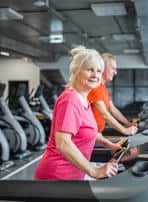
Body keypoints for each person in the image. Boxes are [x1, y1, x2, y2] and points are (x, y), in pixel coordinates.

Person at [34, 46, 122, 181]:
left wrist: (107, 144)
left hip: (73, 175)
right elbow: (63, 143)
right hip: (57, 176)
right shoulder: (70, 100)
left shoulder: (83, 99)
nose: (95, 75)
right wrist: (94, 171)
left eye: (99, 71)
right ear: (76, 71)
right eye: (89, 70)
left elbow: (85, 131)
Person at [88, 53, 138, 136]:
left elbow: (113, 109)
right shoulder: (95, 87)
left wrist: (128, 123)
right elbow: (105, 115)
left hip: (97, 134)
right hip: (91, 135)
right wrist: (124, 130)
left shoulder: (103, 88)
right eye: (113, 69)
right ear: (103, 68)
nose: (115, 72)